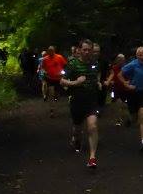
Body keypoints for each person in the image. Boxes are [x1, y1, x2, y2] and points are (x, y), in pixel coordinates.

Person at [61, 40, 102, 169]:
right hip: (77, 100)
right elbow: (62, 81)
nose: (87, 52)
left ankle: (92, 157)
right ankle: (76, 139)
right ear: (79, 50)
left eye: (89, 50)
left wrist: (98, 83)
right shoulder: (72, 64)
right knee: (77, 128)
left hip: (91, 101)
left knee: (92, 126)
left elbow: (96, 76)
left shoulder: (95, 63)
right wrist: (76, 83)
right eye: (84, 49)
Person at [121, 46, 143, 151]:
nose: (142, 57)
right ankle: (130, 119)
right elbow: (119, 74)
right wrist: (126, 84)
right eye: (140, 55)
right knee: (135, 118)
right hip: (133, 93)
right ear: (136, 56)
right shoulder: (132, 65)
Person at [40, 46, 67, 111]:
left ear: (54, 51)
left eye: (52, 51)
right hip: (50, 78)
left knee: (57, 93)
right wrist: (44, 71)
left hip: (58, 78)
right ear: (48, 51)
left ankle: (57, 96)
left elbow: (65, 65)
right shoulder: (45, 59)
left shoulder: (59, 57)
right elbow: (42, 67)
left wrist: (63, 72)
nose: (51, 52)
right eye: (49, 51)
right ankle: (51, 108)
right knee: (51, 92)